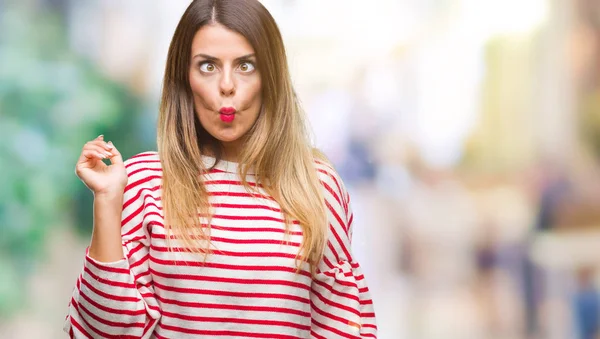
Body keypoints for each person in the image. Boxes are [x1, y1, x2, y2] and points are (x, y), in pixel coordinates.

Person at [63, 0, 377, 338]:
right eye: (208, 66)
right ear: (185, 77)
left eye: (245, 66)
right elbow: (102, 333)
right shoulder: (143, 182)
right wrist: (108, 202)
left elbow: (343, 325)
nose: (227, 85)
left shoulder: (317, 185)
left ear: (270, 76)